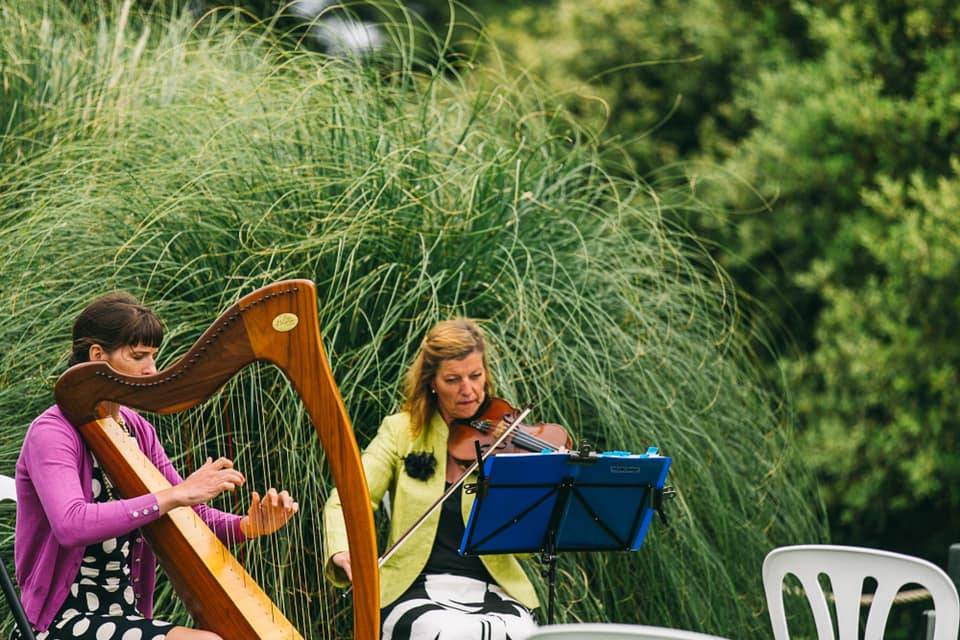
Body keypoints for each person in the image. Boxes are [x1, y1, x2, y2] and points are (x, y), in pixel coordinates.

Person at [14, 292, 299, 640]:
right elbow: (71, 524)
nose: (152, 369)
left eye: (154, 356)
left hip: (124, 615)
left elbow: (191, 516)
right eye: (139, 356)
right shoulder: (53, 432)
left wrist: (248, 526)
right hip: (63, 620)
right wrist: (174, 495)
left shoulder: (134, 429)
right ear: (97, 358)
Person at [323, 318, 539, 640]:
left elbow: (526, 547)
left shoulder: (507, 437)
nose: (469, 390)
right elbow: (347, 498)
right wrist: (343, 551)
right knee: (445, 632)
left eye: (476, 376)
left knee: (518, 631)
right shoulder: (402, 432)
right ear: (432, 382)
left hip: (494, 587)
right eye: (453, 379)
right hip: (415, 586)